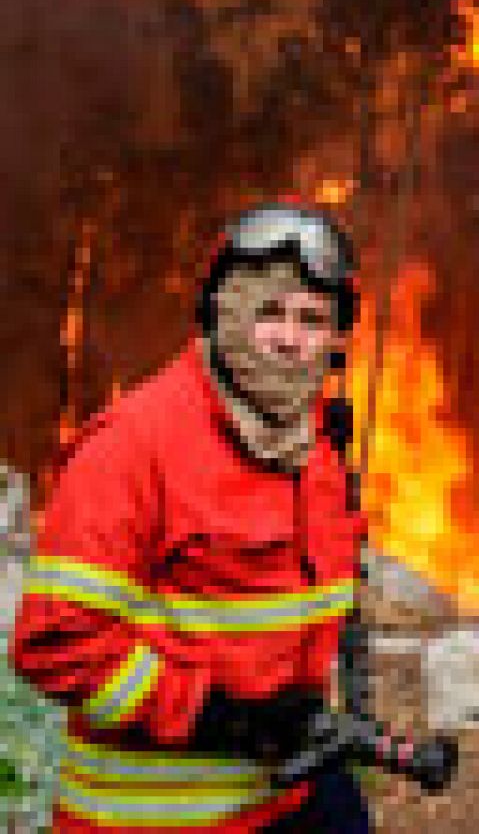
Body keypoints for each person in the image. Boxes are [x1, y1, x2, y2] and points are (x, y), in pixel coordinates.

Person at [10, 204, 375, 832]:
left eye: (312, 320)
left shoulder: (312, 446)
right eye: (268, 313)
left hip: (292, 798)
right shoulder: (134, 446)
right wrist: (221, 717)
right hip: (157, 818)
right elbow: (57, 643)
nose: (289, 339)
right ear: (221, 317)